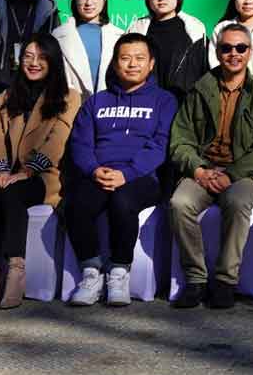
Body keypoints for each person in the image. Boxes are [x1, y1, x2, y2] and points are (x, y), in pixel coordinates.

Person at [0, 32, 79, 309]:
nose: (34, 63)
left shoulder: (69, 97)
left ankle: (16, 273)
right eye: (28, 57)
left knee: (13, 194)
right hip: (6, 170)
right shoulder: (5, 97)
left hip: (44, 176)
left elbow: (58, 138)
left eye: (42, 57)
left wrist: (28, 171)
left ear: (53, 62)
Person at [64, 34, 179, 306]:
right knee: (76, 204)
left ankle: (119, 272)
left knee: (122, 199)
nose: (132, 65)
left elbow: (161, 144)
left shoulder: (164, 101)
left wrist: (127, 173)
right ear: (115, 64)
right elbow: (80, 143)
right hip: (99, 173)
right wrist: (94, 170)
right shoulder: (96, 102)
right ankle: (91, 273)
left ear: (151, 64)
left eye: (139, 58)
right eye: (125, 58)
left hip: (142, 177)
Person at [167, 23, 253, 309]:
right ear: (218, 52)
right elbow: (180, 140)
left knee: (238, 203)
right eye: (226, 48)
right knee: (180, 203)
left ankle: (226, 281)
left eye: (240, 48)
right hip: (204, 168)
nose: (234, 54)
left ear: (250, 52)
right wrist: (199, 170)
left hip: (244, 173)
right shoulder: (199, 89)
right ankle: (195, 280)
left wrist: (231, 175)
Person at [127, 0, 209, 103]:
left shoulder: (195, 30)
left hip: (183, 107)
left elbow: (202, 74)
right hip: (144, 105)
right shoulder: (137, 29)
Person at [51, 0, 122, 98]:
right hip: (71, 108)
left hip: (109, 107)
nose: (89, 2)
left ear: (104, 0)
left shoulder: (119, 36)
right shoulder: (58, 36)